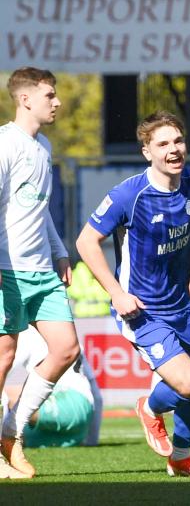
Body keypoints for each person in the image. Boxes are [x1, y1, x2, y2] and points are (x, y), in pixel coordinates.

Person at [75, 111, 190, 479]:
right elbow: (86, 241)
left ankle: (181, 458)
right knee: (187, 383)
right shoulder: (129, 194)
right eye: (163, 144)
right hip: (141, 309)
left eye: (178, 141)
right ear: (147, 152)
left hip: (182, 306)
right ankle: (150, 408)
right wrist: (117, 293)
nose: (173, 150)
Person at [0, 67, 82, 480]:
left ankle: (11, 432)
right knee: (4, 357)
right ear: (25, 99)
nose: (57, 102)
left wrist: (60, 252)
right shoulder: (4, 144)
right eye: (50, 95)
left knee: (66, 349)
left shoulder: (44, 145)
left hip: (42, 270)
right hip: (6, 269)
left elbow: (39, 207)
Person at [2, 327, 101, 449]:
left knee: (6, 395)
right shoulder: (65, 332)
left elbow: (4, 366)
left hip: (67, 401)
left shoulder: (25, 332)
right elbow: (96, 393)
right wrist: (92, 439)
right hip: (81, 415)